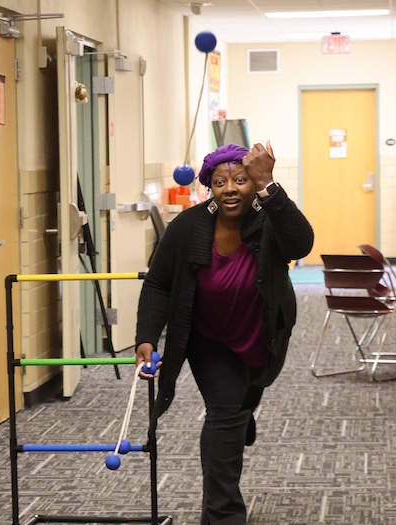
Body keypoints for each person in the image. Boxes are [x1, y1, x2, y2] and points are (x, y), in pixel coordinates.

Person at [134, 142, 314, 524]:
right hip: (208, 339)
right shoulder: (189, 226)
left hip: (261, 335)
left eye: (240, 180)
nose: (230, 188)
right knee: (225, 413)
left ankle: (241, 412)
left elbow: (302, 243)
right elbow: (159, 284)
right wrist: (147, 336)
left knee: (241, 402)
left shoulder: (270, 219)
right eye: (220, 182)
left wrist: (268, 184)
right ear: (210, 188)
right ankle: (223, 514)